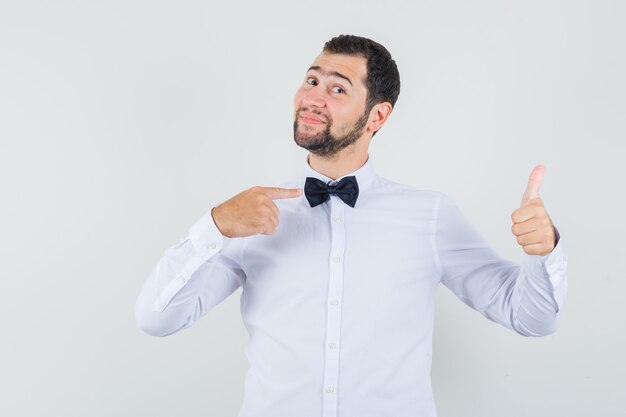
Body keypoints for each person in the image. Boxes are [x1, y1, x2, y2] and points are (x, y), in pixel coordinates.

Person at [135, 34, 568, 417]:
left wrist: (543, 251)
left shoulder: (430, 215)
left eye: (337, 88)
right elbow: (158, 319)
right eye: (311, 81)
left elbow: (529, 317)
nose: (313, 97)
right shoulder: (251, 214)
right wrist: (214, 226)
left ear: (377, 116)